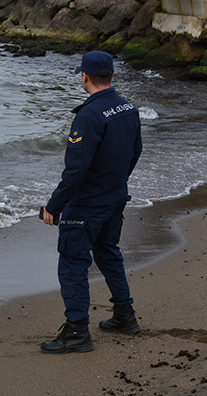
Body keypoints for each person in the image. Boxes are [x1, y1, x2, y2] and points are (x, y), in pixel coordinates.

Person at [40, 50, 143, 354]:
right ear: (110, 75)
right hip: (115, 197)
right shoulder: (128, 107)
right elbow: (135, 152)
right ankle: (125, 315)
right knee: (108, 252)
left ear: (84, 76)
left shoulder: (88, 115)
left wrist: (54, 205)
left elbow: (76, 169)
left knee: (73, 263)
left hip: (87, 203)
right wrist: (116, 184)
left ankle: (76, 332)